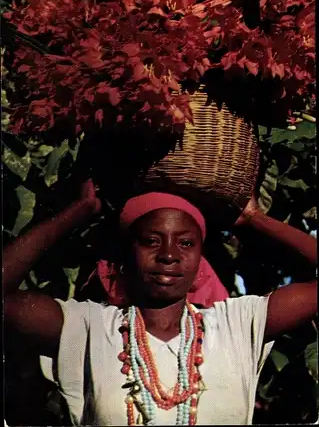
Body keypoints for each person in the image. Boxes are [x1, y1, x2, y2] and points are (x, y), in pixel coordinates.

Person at [4, 180, 317, 426]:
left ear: (200, 259)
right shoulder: (89, 327)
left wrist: (254, 218)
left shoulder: (236, 324)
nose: (169, 255)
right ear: (125, 257)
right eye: (151, 241)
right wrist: (80, 210)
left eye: (186, 243)